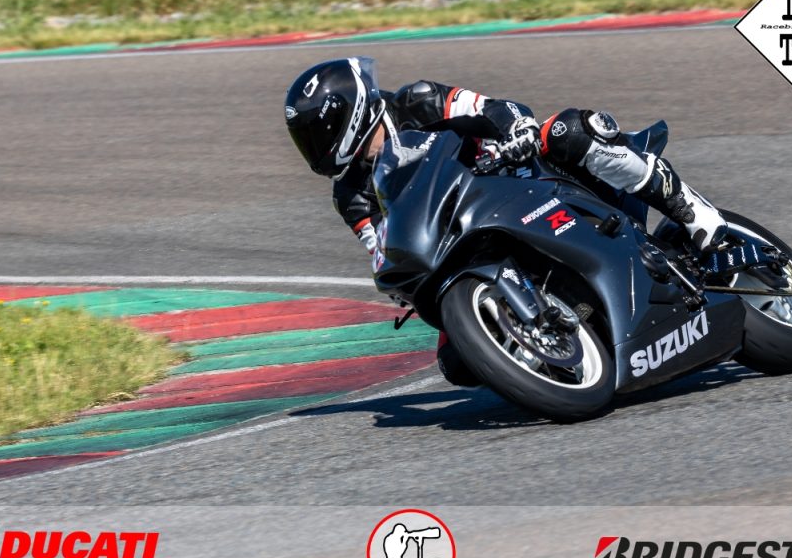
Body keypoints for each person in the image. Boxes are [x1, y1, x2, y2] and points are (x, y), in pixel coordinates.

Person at [284, 57, 728, 384]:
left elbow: (496, 108)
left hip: (521, 179)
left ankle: (691, 211)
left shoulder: (417, 100)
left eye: (317, 133)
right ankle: (560, 343)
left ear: (349, 113)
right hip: (460, 239)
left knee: (568, 131)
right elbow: (381, 248)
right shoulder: (350, 195)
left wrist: (516, 132)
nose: (314, 147)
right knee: (457, 364)